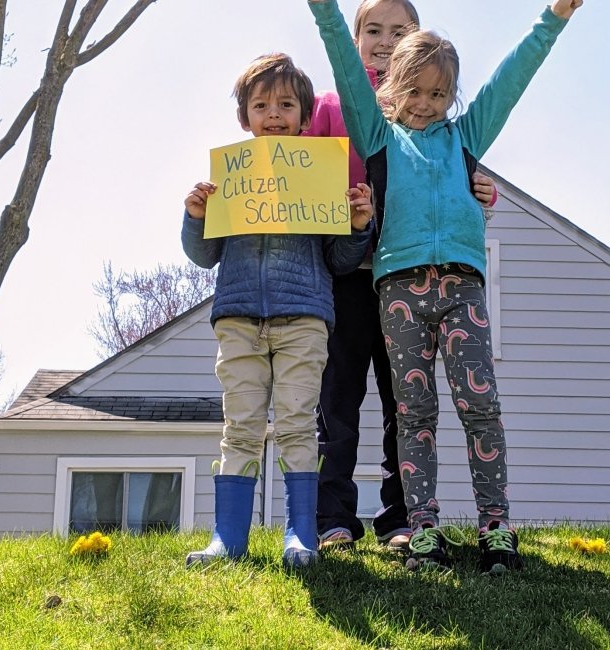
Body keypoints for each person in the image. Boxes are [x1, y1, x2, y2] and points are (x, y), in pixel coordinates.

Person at [307, 0, 583, 573]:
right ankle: (422, 525)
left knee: (480, 403)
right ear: (389, 90)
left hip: (462, 288)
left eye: (439, 95)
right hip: (399, 293)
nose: (427, 105)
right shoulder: (378, 137)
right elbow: (340, 55)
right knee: (413, 411)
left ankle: (495, 526)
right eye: (415, 93)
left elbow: (513, 78)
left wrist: (553, 17)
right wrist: (322, 8)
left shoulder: (465, 138)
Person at [305, 0, 500, 555]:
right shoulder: (334, 106)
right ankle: (334, 517)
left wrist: (476, 188)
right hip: (345, 272)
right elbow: (297, 173)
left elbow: (446, 180)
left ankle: (400, 516)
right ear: (357, 35)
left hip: (402, 280)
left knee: (403, 405)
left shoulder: (433, 124)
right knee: (337, 402)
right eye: (372, 30)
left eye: (400, 31)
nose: (384, 41)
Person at [181, 53, 374, 569]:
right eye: (261, 104)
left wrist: (357, 226)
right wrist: (195, 216)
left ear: (305, 117)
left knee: (296, 425)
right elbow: (203, 256)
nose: (273, 114)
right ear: (244, 117)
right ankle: (229, 539)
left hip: (304, 319)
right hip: (239, 317)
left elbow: (338, 258)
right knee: (240, 425)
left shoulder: (319, 178)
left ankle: (300, 534)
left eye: (286, 104)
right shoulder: (230, 179)